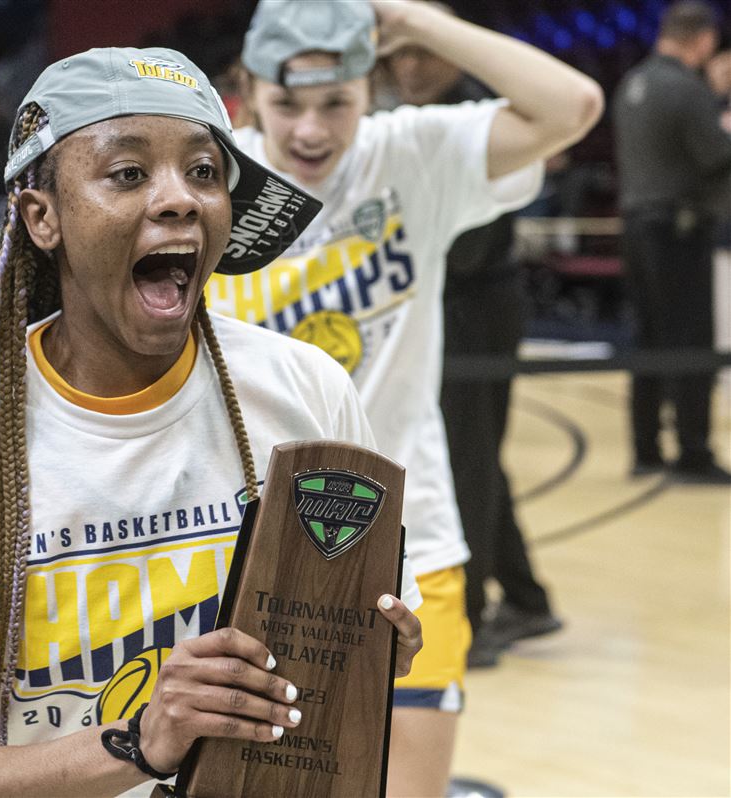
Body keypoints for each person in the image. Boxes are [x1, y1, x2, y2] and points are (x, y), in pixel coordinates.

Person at [0, 45, 423, 797]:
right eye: (129, 173)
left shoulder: (306, 394)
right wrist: (143, 742)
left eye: (203, 171)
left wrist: (372, 649)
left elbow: (350, 669)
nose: (179, 199)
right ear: (43, 216)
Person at [206, 2, 602, 794]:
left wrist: (416, 19)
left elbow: (574, 106)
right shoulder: (212, 179)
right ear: (249, 89)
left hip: (409, 545)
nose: (311, 130)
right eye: (287, 103)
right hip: (245, 551)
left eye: (337, 102)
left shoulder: (410, 154)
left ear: (371, 88)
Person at [384, 12, 562, 670]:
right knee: (477, 454)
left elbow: (462, 251)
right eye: (400, 56)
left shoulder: (473, 122)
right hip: (450, 304)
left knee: (469, 461)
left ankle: (473, 614)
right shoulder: (401, 121)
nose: (410, 67)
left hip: (474, 308)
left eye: (423, 53)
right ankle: (528, 597)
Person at [614, 0, 731, 484]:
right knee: (690, 343)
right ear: (703, 40)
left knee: (648, 340)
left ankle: (645, 451)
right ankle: (693, 453)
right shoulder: (687, 88)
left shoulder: (632, 84)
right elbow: (714, 156)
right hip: (678, 231)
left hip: (636, 226)